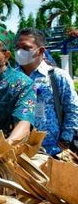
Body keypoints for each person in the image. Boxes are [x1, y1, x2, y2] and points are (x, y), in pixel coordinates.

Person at [14, 27, 78, 155]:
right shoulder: (12, 78)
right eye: (17, 47)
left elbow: (72, 109)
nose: (20, 52)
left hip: (53, 150)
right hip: (19, 152)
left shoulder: (57, 76)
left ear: (41, 50)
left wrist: (65, 140)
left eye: (26, 48)